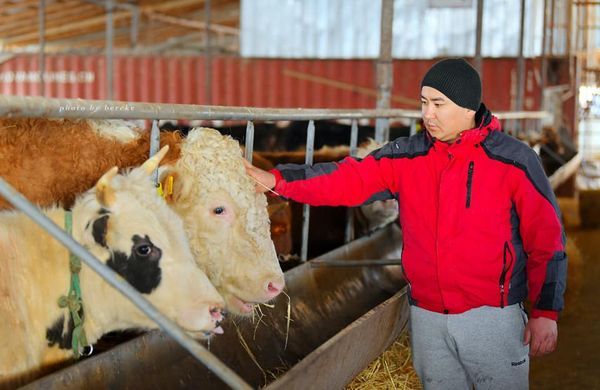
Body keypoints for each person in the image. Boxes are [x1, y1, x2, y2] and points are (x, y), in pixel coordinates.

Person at [244, 58, 567, 390]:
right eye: (424, 102)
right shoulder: (407, 157)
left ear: (468, 107)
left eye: (438, 104)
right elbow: (347, 179)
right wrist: (278, 180)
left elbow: (547, 240)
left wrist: (546, 312)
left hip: (491, 318)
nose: (428, 114)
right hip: (427, 319)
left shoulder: (513, 160)